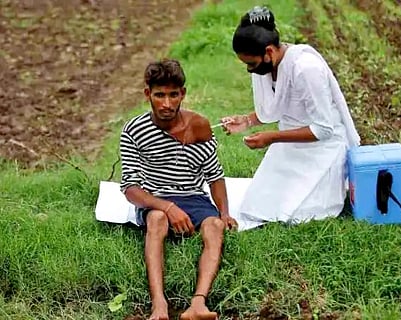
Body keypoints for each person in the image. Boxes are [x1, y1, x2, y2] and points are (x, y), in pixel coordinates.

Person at [120, 59, 237, 320]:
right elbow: (130, 187)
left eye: (174, 95)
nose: (167, 103)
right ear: (147, 94)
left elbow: (214, 176)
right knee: (158, 219)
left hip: (193, 197)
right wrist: (167, 206)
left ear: (182, 93)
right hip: (156, 199)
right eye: (160, 95)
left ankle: (198, 304)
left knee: (215, 226)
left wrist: (224, 212)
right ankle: (159, 305)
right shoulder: (134, 130)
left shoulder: (199, 127)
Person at [222, 6, 360, 225]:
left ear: (268, 52)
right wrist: (247, 120)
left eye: (251, 64)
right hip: (290, 146)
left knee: (296, 213)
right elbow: (281, 108)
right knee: (257, 206)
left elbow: (324, 129)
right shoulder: (270, 65)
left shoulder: (306, 68)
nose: (249, 70)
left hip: (323, 149)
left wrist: (272, 137)